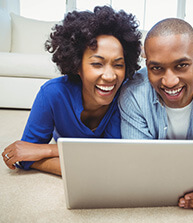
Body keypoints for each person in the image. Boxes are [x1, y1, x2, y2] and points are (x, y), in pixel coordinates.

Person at [2, 6, 141, 176]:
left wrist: (47, 150)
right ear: (77, 65)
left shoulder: (126, 94)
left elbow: (111, 158)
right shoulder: (52, 94)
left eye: (118, 65)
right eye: (97, 64)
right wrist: (33, 154)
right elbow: (24, 154)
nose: (110, 76)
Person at [118, 18, 193, 210]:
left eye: (181, 65)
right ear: (147, 66)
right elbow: (140, 165)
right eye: (156, 68)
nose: (169, 81)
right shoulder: (132, 95)